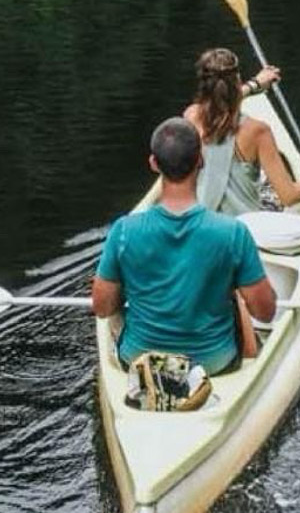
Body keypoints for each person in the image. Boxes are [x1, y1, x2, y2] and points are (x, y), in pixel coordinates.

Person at [91, 117, 276, 374]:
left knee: (118, 291)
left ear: (154, 164)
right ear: (200, 160)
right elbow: (266, 312)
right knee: (237, 298)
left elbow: (101, 308)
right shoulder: (233, 233)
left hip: (139, 361)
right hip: (213, 364)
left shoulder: (123, 231)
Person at [184, 48, 300, 217]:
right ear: (237, 80)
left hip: (200, 223)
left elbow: (220, 100)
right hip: (242, 234)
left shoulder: (190, 117)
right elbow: (288, 196)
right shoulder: (258, 132)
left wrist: (255, 84)